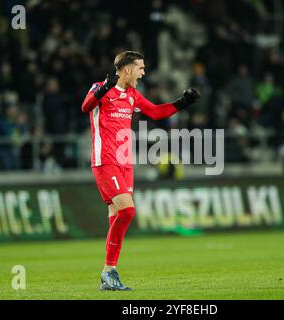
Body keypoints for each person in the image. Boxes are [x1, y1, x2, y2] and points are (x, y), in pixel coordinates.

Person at [81, 51, 200, 291]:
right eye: (140, 68)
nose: (143, 73)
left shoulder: (132, 95)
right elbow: (86, 107)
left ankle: (110, 274)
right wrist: (105, 87)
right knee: (128, 211)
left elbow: (156, 112)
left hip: (125, 162)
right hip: (105, 160)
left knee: (117, 216)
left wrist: (182, 102)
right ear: (127, 69)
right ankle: (108, 271)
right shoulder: (100, 88)